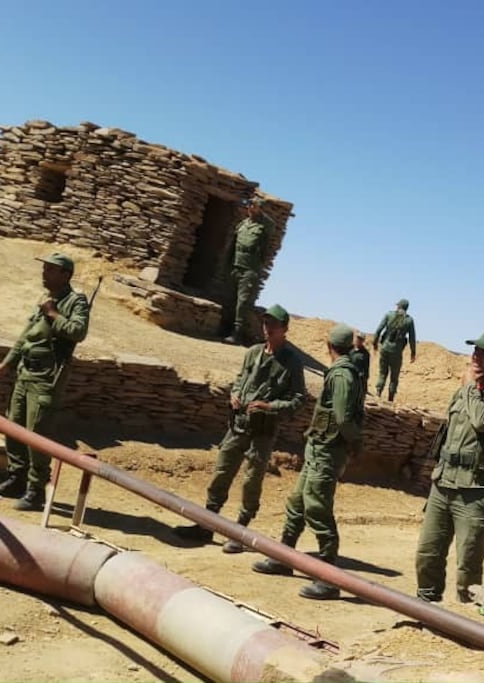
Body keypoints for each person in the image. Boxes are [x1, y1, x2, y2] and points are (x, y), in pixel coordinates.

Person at [173, 304, 307, 551]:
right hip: (238, 425)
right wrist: (234, 394)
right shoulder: (253, 353)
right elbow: (239, 380)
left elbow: (298, 400)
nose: (267, 328)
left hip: (263, 431)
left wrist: (270, 406)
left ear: (285, 329)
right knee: (221, 473)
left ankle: (241, 532)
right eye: (266, 323)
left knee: (251, 481)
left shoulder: (291, 362)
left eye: (274, 325)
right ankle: (206, 524)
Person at [252, 323, 364, 600]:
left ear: (329, 347)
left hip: (328, 450)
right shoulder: (344, 372)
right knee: (298, 502)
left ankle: (328, 577)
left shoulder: (342, 375)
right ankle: (283, 557)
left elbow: (343, 418)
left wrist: (355, 442)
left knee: (318, 508)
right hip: (319, 447)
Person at [0, 253, 91, 510]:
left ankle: (35, 491)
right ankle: (16, 478)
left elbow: (78, 332)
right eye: (44, 268)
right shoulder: (45, 299)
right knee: (14, 427)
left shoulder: (74, 302)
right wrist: (7, 363)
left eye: (50, 270)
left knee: (37, 435)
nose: (44, 273)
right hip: (25, 373)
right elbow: (27, 336)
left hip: (46, 378)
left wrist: (54, 314)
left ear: (65, 275)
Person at [415, 330, 484, 604]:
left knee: (468, 564)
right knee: (428, 553)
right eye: (475, 351)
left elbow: (482, 420)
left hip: (474, 491)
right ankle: (426, 606)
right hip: (444, 483)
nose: (476, 356)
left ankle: (466, 617)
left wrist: (470, 388)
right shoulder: (463, 392)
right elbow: (445, 433)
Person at [222, 198, 270, 346]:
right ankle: (224, 329)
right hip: (236, 265)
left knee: (242, 302)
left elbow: (270, 228)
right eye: (249, 206)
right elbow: (233, 245)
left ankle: (236, 333)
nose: (250, 208)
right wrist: (227, 263)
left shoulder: (264, 226)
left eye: (254, 206)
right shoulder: (242, 225)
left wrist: (260, 211)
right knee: (230, 298)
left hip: (250, 269)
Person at [372, 299, 416, 401]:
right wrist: (413, 352)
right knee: (394, 376)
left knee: (382, 372)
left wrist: (375, 343)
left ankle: (378, 393)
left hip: (385, 348)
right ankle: (390, 398)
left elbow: (379, 330)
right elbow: (412, 338)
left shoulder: (389, 315)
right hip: (397, 351)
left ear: (399, 306)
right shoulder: (409, 320)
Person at [350, 330, 371, 400]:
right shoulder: (349, 349)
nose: (358, 340)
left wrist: (364, 385)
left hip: (358, 379)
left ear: (363, 341)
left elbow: (366, 369)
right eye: (358, 338)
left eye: (361, 339)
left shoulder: (365, 354)